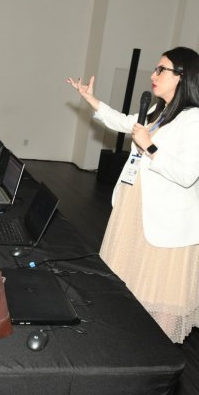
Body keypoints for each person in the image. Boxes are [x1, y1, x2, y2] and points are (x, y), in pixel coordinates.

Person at [67, 46, 199, 343]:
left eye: (160, 70)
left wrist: (150, 147)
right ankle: (125, 341)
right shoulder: (159, 111)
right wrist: (90, 98)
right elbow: (124, 122)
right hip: (135, 208)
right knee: (128, 283)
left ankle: (154, 353)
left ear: (182, 76)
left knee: (158, 291)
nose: (153, 75)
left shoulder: (194, 120)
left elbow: (187, 175)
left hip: (165, 219)